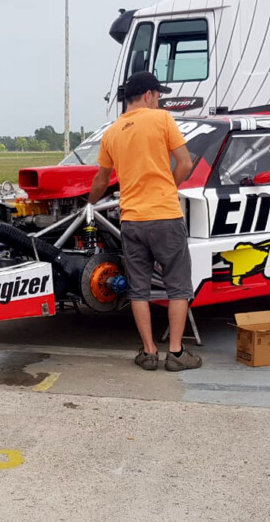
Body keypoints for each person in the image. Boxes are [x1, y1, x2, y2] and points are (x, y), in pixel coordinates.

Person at [86, 71, 200, 372]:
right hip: (165, 216)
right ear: (149, 95)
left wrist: (89, 202)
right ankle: (176, 353)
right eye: (158, 96)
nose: (158, 101)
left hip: (132, 220)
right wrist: (167, 189)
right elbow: (185, 163)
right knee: (178, 287)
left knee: (139, 289)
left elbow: (101, 181)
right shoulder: (162, 119)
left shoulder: (112, 132)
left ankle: (149, 352)